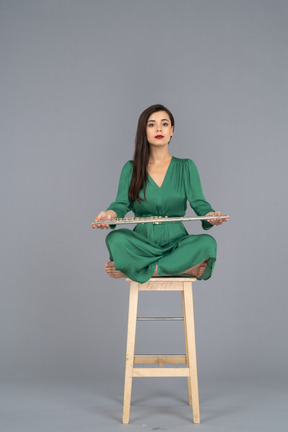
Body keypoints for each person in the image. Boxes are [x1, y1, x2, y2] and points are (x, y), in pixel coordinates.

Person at [92, 104, 228, 284]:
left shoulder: (186, 166)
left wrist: (211, 216)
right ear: (144, 131)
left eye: (164, 124)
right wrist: (108, 215)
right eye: (151, 124)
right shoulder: (131, 169)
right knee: (115, 238)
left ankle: (135, 269)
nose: (158, 129)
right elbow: (120, 204)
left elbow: (200, 203)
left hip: (176, 243)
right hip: (142, 244)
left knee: (208, 243)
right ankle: (184, 269)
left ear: (172, 130)